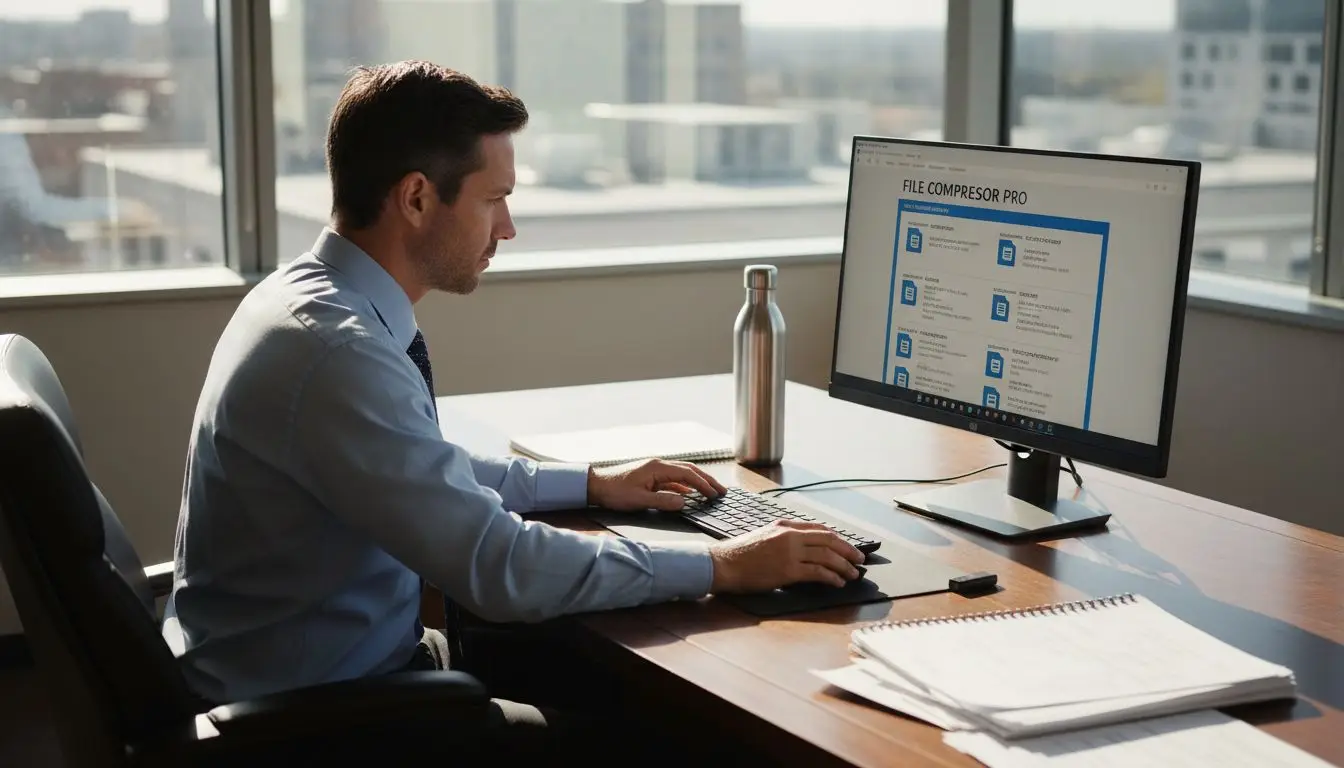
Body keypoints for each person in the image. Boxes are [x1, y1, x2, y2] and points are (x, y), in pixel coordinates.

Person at [162, 60, 863, 759]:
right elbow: (501, 569)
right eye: (494, 198)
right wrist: (725, 566)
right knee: (681, 736)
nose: (509, 227)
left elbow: (420, 468)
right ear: (415, 198)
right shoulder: (337, 352)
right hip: (315, 722)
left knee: (597, 675)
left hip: (308, 673)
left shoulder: (307, 301)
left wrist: (591, 484)